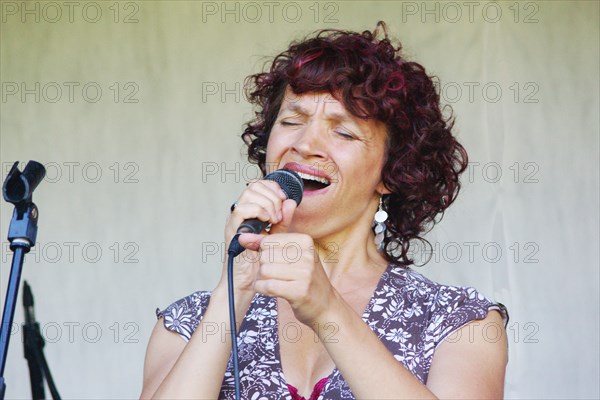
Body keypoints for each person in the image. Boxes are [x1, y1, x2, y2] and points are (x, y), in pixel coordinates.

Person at [140, 22, 508, 400]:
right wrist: (233, 292)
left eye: (343, 132)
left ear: (392, 172)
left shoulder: (458, 321)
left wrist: (328, 310)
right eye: (291, 122)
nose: (304, 144)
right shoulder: (186, 321)